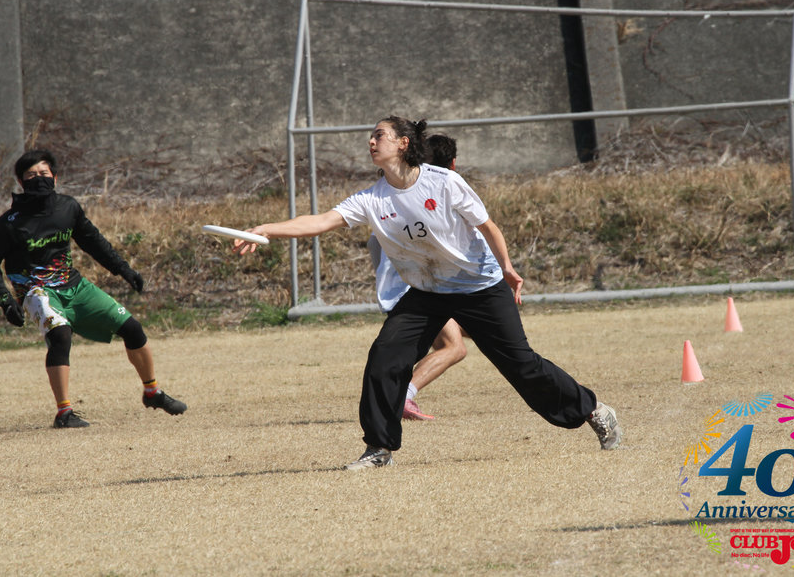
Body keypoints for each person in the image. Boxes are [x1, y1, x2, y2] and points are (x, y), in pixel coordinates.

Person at [233, 116, 622, 469]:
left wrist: (506, 267)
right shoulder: (372, 199)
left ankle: (593, 410)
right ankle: (378, 449)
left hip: (479, 286)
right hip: (427, 292)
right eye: (371, 137)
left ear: (403, 143)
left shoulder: (444, 182)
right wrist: (266, 229)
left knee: (522, 366)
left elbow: (487, 226)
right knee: (385, 357)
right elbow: (320, 221)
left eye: (379, 135)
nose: (371, 141)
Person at [0, 149, 187, 428]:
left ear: (55, 177)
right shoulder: (10, 223)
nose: (38, 179)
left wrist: (124, 269)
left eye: (43, 173)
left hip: (74, 285)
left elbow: (93, 241)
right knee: (60, 335)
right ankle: (64, 413)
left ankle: (153, 392)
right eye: (31, 175)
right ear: (20, 182)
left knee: (132, 328)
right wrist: (5, 300)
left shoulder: (68, 208)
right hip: (35, 290)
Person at [367, 133, 468, 421]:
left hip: (407, 288)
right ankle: (403, 396)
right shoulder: (440, 195)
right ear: (453, 164)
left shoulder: (395, 196)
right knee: (453, 348)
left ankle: (398, 394)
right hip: (420, 290)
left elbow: (373, 244)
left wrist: (386, 278)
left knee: (464, 332)